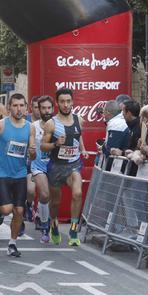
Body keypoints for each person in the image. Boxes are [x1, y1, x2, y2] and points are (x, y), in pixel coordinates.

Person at [0, 93, 35, 257]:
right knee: (7, 209)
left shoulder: (30, 127)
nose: (19, 109)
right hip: (3, 172)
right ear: (9, 107)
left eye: (22, 106)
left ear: (26, 108)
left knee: (19, 211)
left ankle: (12, 244)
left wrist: (33, 152)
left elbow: (31, 155)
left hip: (20, 173)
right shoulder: (0, 125)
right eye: (15, 105)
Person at [40, 88, 86, 247]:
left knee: (77, 193)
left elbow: (78, 138)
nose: (66, 105)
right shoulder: (51, 124)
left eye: (68, 101)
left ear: (72, 102)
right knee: (55, 203)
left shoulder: (79, 120)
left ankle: (73, 231)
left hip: (74, 165)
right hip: (56, 167)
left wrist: (83, 149)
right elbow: (43, 146)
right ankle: (53, 224)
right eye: (62, 102)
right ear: (57, 103)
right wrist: (55, 143)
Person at [30, 96, 54, 243]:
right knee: (44, 194)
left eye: (49, 108)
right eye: (43, 108)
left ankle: (41, 214)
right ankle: (45, 227)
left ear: (53, 109)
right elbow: (30, 144)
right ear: (39, 109)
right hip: (38, 166)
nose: (46, 111)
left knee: (52, 199)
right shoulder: (33, 126)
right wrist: (31, 150)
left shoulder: (58, 125)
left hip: (54, 166)